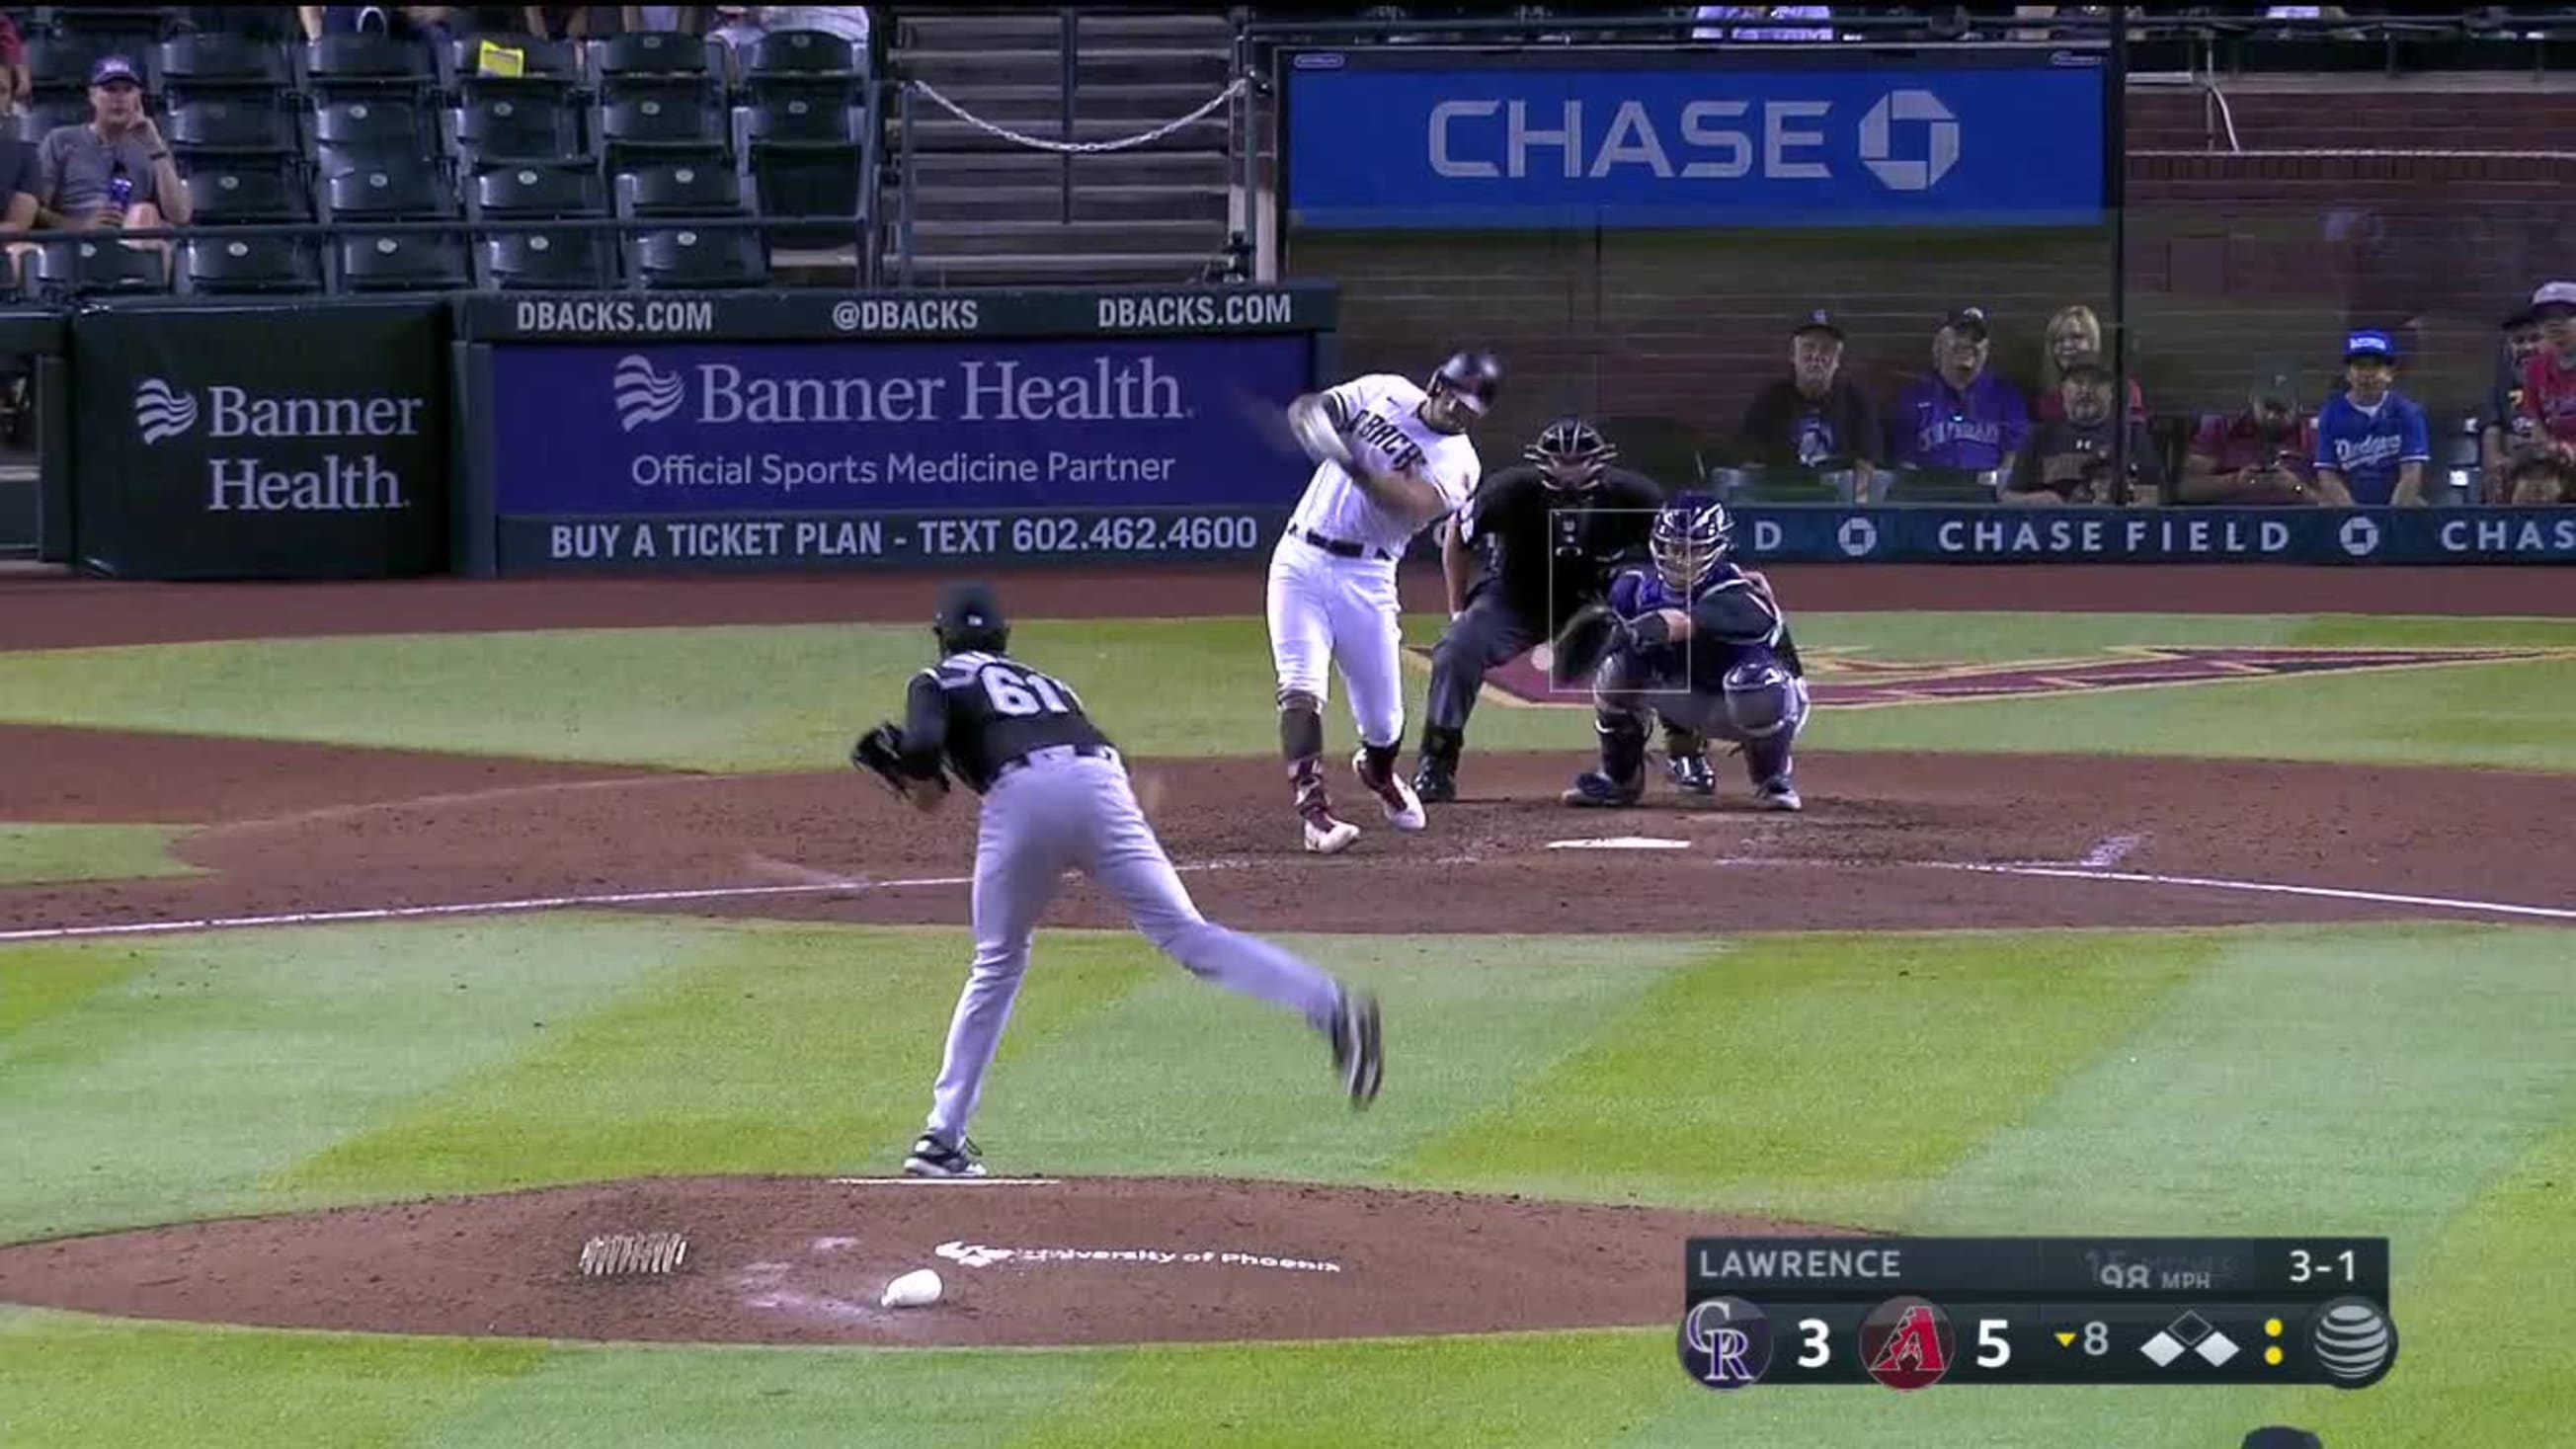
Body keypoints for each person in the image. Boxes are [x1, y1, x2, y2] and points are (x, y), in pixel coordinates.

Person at [853, 582, 1383, 1179]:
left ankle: (941, 1138)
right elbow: (1089, 757)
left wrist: (902, 767)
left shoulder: (937, 678)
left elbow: (927, 767)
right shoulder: (1050, 685)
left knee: (998, 962)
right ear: (1004, 639)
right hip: (1103, 784)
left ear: (941, 637)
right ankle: (1327, 1003)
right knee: (1188, 934)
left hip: (1021, 797)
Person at [1270, 351, 1496, 853]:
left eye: (1472, 412)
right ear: (1437, 384)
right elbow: (1315, 409)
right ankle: (1315, 815)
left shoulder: (1461, 463)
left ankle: (1377, 771)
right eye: (1456, 402)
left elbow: (1408, 502)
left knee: (1383, 722)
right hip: (1299, 559)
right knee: (1300, 688)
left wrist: (1346, 458)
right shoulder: (1384, 389)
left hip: (1367, 576)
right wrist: (1317, 421)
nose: (1460, 415)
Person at [1411, 417, 1692, 804]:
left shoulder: (1635, 495)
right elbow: (1458, 534)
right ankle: (1436, 763)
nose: (1570, 470)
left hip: (1600, 600)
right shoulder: (1509, 490)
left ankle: (1683, 752)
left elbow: (1676, 553)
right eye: (1562, 460)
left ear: (1601, 460)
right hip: (1516, 598)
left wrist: (1666, 606)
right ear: (1540, 461)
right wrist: (1457, 609)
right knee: (1458, 648)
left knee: (1668, 633)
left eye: (1580, 460)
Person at [1562, 495, 1809, 813]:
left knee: (1753, 680)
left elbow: (1685, 622)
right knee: (1617, 669)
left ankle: (1772, 777)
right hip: (1691, 696)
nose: (1681, 558)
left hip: (1762, 704)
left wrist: (1634, 630)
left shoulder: (1740, 591)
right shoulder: (1634, 587)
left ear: (1717, 548)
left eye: (1694, 549)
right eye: (1672, 547)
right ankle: (1618, 778)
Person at [34, 56, 190, 234]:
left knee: (146, 212)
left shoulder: (154, 148)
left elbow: (180, 216)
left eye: (127, 90)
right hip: (73, 245)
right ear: (92, 95)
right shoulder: (60, 140)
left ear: (138, 96)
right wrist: (81, 227)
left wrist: (155, 149)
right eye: (110, 90)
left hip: (133, 239)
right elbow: (36, 210)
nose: (119, 99)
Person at [1735, 308, 1882, 491]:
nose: (1816, 356)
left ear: (1838, 360)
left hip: (1837, 503)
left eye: (1826, 349)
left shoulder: (1857, 403)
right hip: (1780, 499)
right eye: (1809, 347)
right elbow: (1749, 463)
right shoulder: (1770, 401)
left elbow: (1866, 466)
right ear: (1793, 356)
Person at [2002, 352, 2165, 506]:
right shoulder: (2040, 435)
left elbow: (2156, 496)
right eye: (2078, 381)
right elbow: (2008, 498)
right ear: (2063, 390)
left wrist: (2122, 499)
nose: (2086, 390)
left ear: (2112, 391)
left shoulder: (2132, 435)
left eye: (2096, 382)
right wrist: (2042, 501)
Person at [1889, 307, 2030, 475]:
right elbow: (1906, 463)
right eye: (1959, 335)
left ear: (1986, 349)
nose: (1967, 343)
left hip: (1989, 495)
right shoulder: (1914, 396)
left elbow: (2013, 459)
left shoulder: (2008, 396)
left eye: (1976, 338)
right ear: (1937, 345)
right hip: (1929, 494)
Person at [2177, 367, 2344, 506]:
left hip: (2301, 529)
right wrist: (2235, 481)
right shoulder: (2219, 428)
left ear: (2298, 405)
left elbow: (2339, 507)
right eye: (2267, 406)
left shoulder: (2318, 435)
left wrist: (2296, 488)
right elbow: (2185, 488)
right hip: (2233, 526)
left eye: (2281, 409)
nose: (2272, 416)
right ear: (2252, 399)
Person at [2314, 330, 2430, 507]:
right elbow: (2328, 476)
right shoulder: (2330, 414)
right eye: (2360, 366)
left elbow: (2411, 474)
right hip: (2346, 512)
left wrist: (2390, 520)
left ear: (2390, 373)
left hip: (2399, 509)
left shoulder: (2408, 412)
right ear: (2347, 373)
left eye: (2375, 366)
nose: (2367, 374)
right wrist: (2356, 519)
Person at [2509, 280, 2576, 502]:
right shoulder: (2537, 367)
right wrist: (2551, 448)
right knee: (2529, 483)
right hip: (2559, 459)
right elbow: (2537, 422)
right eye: (2546, 318)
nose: (2554, 324)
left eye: (2564, 315)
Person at [2032, 304, 2145, 424]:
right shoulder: (2045, 401)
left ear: (2093, 341)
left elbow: (2135, 435)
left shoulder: (2123, 391)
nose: (2067, 345)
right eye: (2058, 340)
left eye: (2077, 337)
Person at [2485, 301, 2547, 504]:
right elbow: (2492, 427)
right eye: (2519, 341)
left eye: (2535, 339)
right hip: (2515, 474)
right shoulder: (2502, 383)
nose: (2527, 347)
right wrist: (2494, 464)